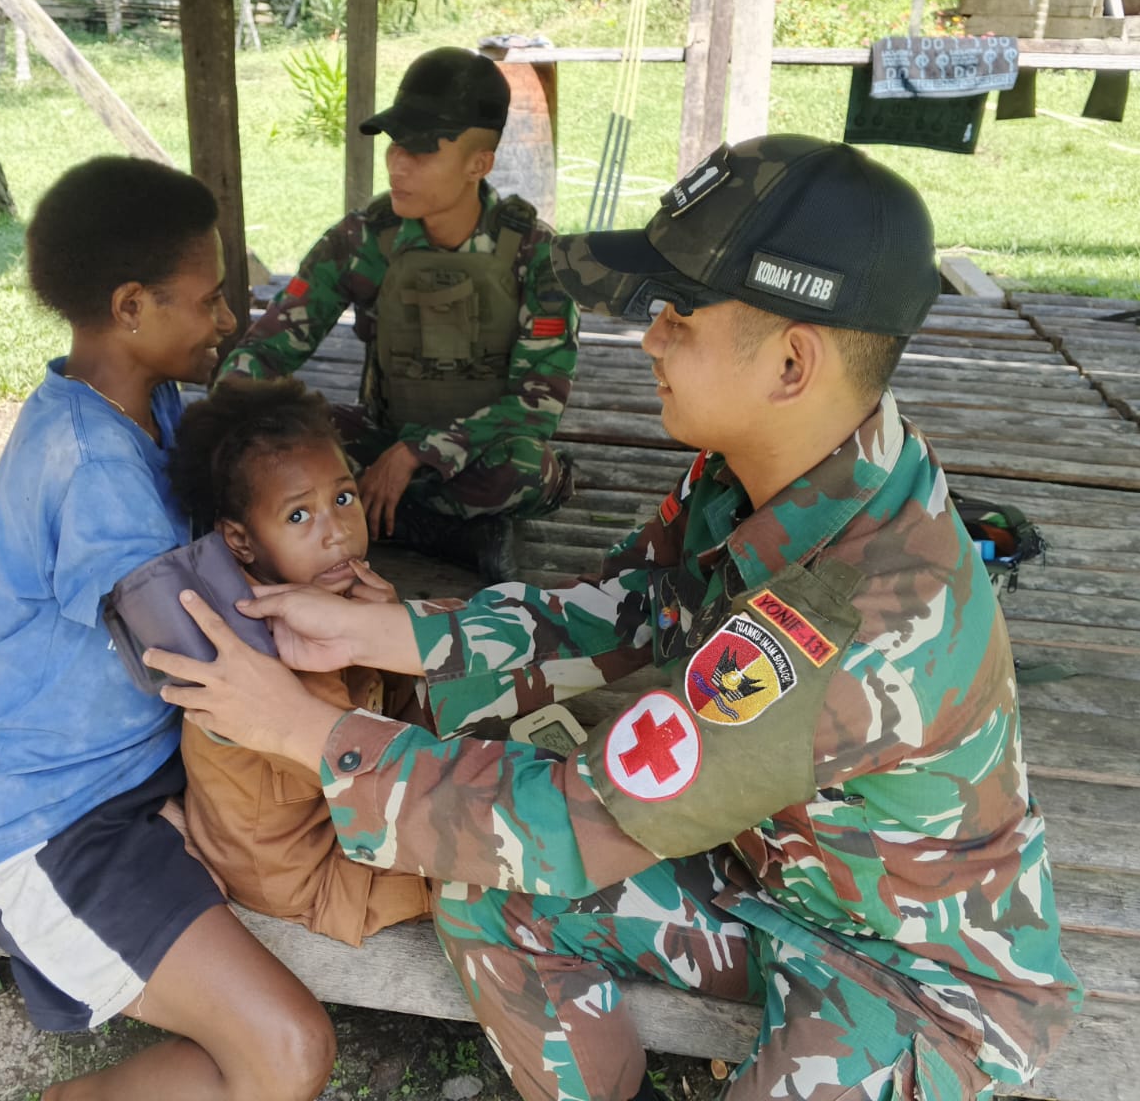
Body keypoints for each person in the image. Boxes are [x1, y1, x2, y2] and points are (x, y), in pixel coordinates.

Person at [144, 135, 1084, 1101]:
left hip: (907, 970)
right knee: (491, 889)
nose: (650, 340)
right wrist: (395, 635)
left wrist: (304, 731)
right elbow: (631, 605)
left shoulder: (860, 613)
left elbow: (582, 817)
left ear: (791, 363)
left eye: (678, 316)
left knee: (522, 839)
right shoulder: (771, 470)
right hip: (767, 877)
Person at [0, 158, 334, 1101]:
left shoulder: (143, 404)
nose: (228, 318)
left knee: (275, 1051)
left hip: (132, 776)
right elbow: (210, 669)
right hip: (48, 825)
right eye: (210, 298)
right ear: (130, 307)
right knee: (286, 1053)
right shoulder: (92, 464)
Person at [217, 46, 580, 585]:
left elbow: (538, 404)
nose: (397, 165)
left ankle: (378, 513)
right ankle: (438, 529)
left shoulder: (535, 253)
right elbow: (267, 348)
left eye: (422, 151)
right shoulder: (364, 239)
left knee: (527, 470)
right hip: (379, 436)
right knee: (296, 437)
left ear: (479, 164)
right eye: (395, 145)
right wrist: (226, 421)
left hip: (481, 451)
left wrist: (418, 453)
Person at [168, 376, 433, 946]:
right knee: (485, 873)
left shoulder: (325, 592)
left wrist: (387, 629)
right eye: (298, 516)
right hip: (311, 873)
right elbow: (372, 778)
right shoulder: (264, 647)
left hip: (343, 818)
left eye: (343, 498)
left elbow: (394, 707)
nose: (336, 532)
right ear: (240, 540)